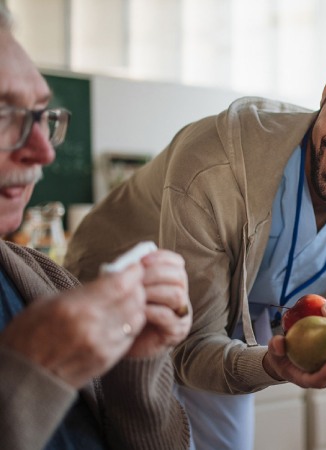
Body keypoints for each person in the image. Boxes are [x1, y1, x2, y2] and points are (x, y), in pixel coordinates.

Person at [64, 23, 326, 449]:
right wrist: (271, 365)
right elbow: (191, 349)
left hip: (225, 327)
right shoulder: (215, 164)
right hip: (116, 303)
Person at [0, 7, 193, 450]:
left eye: (41, 116)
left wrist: (137, 365)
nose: (43, 152)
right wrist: (31, 371)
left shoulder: (45, 279)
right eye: (3, 115)